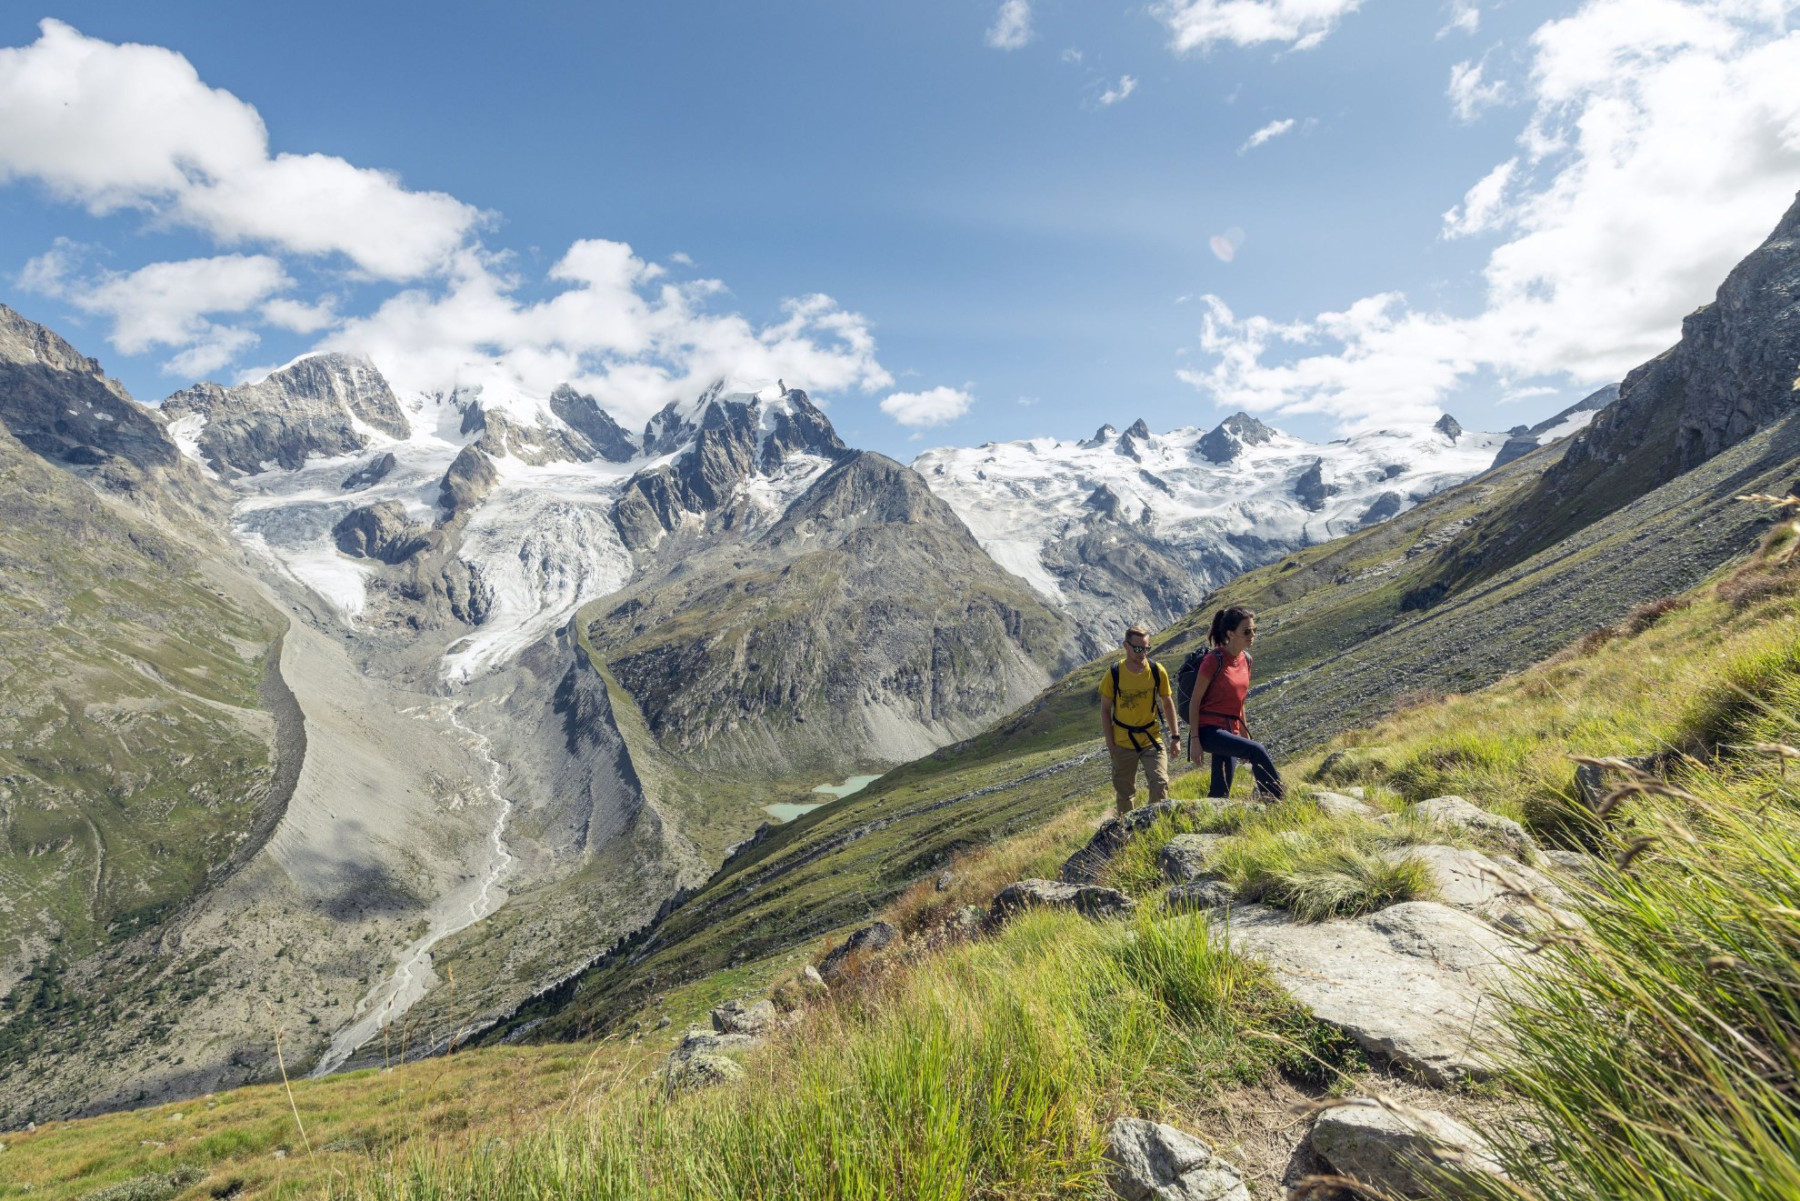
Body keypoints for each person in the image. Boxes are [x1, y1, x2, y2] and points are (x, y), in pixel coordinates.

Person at [1186, 606, 1285, 801]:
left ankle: (1208, 822)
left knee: (1220, 791)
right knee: (1257, 750)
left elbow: (1240, 702)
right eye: (1246, 631)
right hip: (1209, 731)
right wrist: (1195, 741)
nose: (1252, 635)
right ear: (1231, 633)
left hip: (1230, 731)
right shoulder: (1213, 660)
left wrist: (1244, 734)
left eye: (1254, 630)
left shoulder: (1246, 660)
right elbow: (1195, 701)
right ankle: (1278, 800)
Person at [1099, 624, 1180, 817]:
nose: (1142, 653)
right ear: (1125, 646)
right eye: (1137, 648)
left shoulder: (1156, 670)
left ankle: (1153, 826)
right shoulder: (1114, 673)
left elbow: (1167, 703)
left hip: (1151, 738)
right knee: (1125, 793)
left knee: (1160, 783)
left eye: (1146, 648)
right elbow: (1104, 710)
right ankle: (1126, 832)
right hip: (1122, 742)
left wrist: (1175, 737)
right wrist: (1111, 744)